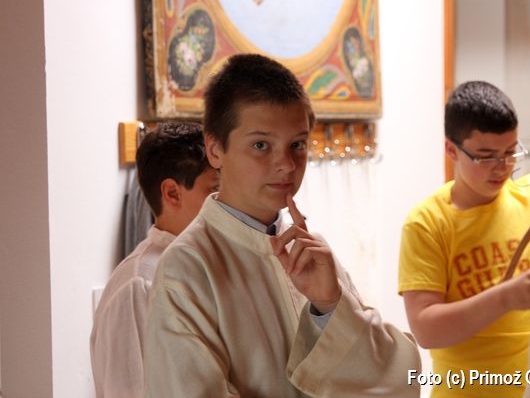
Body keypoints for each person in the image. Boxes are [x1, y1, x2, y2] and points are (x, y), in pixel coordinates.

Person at [143, 53, 421, 398]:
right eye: (261, 145)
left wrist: (330, 305)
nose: (287, 165)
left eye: (297, 145)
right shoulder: (186, 268)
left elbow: (399, 380)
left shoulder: (312, 251)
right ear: (215, 150)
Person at [398, 80, 530, 398]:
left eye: (510, 152)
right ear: (451, 150)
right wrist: (506, 297)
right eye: (486, 156)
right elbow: (426, 329)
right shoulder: (427, 222)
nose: (502, 167)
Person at [90, 121, 220, 398]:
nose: (228, 203)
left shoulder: (212, 265)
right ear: (172, 193)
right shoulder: (139, 284)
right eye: (215, 191)